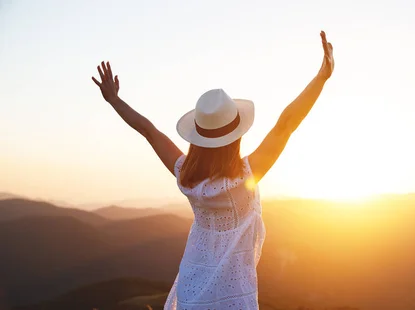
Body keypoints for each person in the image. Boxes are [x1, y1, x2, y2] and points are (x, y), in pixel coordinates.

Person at [91, 31, 335, 310]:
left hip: (192, 287)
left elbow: (148, 130)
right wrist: (321, 79)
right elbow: (286, 123)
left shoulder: (185, 174)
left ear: (198, 137)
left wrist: (114, 100)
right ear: (236, 136)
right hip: (233, 297)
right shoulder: (245, 177)